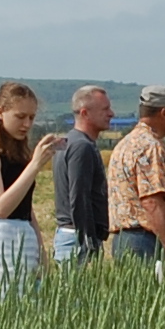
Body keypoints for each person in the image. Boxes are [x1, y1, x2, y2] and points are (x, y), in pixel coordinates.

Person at [0, 82, 64, 296]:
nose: (27, 124)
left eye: (31, 117)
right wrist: (35, 165)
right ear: (0, 112)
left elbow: (27, 209)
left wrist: (42, 254)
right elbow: (0, 207)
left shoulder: (20, 157)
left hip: (25, 239)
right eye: (20, 117)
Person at [100, 86, 165, 273]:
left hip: (130, 240)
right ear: (164, 112)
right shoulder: (149, 147)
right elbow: (152, 201)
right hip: (146, 242)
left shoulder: (127, 143)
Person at [51, 86, 114, 264]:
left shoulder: (67, 142)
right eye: (105, 109)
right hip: (77, 239)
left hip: (69, 235)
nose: (111, 113)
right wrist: (88, 239)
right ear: (85, 113)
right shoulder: (82, 146)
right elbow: (79, 197)